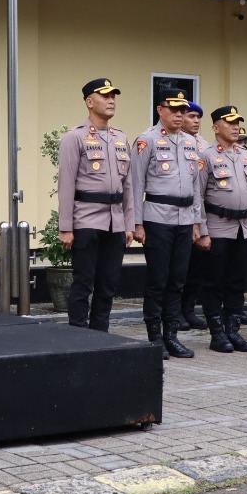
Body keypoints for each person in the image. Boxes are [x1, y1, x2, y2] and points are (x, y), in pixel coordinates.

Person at [57, 77, 135, 332]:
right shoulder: (75, 137)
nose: (111, 100)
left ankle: (100, 335)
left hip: (115, 222)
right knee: (84, 282)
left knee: (108, 283)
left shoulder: (121, 138)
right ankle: (78, 335)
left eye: (114, 96)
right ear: (90, 102)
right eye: (105, 96)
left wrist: (129, 224)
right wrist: (66, 227)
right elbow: (66, 185)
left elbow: (128, 187)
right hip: (87, 220)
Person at [132, 92, 203, 359]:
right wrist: (137, 223)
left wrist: (197, 221)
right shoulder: (146, 140)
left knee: (177, 280)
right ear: (160, 110)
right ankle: (154, 337)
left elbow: (196, 186)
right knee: (158, 280)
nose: (178, 115)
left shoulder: (190, 142)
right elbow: (136, 184)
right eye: (173, 110)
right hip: (157, 217)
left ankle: (171, 336)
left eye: (182, 110)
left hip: (184, 219)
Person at [195, 105, 247, 353]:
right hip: (217, 228)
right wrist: (201, 231)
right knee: (214, 282)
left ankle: (233, 331)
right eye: (230, 123)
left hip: (243, 230)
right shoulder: (206, 156)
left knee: (237, 282)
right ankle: (216, 333)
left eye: (237, 123)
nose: (236, 127)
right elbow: (197, 196)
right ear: (215, 128)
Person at [178, 100, 211, 330]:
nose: (196, 121)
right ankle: (174, 311)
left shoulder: (204, 145)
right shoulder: (172, 141)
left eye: (198, 117)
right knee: (180, 267)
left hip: (202, 212)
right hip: (179, 212)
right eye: (191, 116)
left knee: (197, 266)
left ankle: (188, 309)